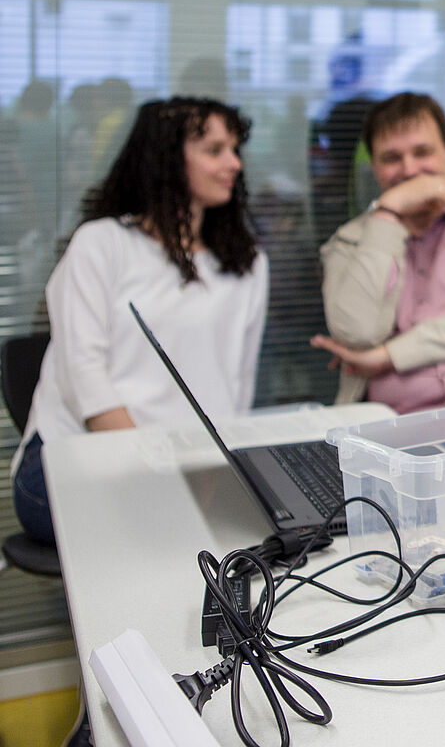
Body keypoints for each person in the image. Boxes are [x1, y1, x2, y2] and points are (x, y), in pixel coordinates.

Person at [10, 96, 269, 546]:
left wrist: (209, 481)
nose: (234, 163)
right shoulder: (102, 244)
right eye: (214, 150)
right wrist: (163, 481)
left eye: (235, 149)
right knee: (169, 539)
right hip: (75, 460)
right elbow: (86, 384)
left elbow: (237, 388)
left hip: (191, 465)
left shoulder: (246, 264)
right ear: (168, 161)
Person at [311, 92, 445, 413]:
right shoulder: (347, 243)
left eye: (422, 152)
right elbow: (357, 333)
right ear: (374, 167)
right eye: (391, 158)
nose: (410, 170)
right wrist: (388, 213)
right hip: (395, 431)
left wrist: (389, 356)